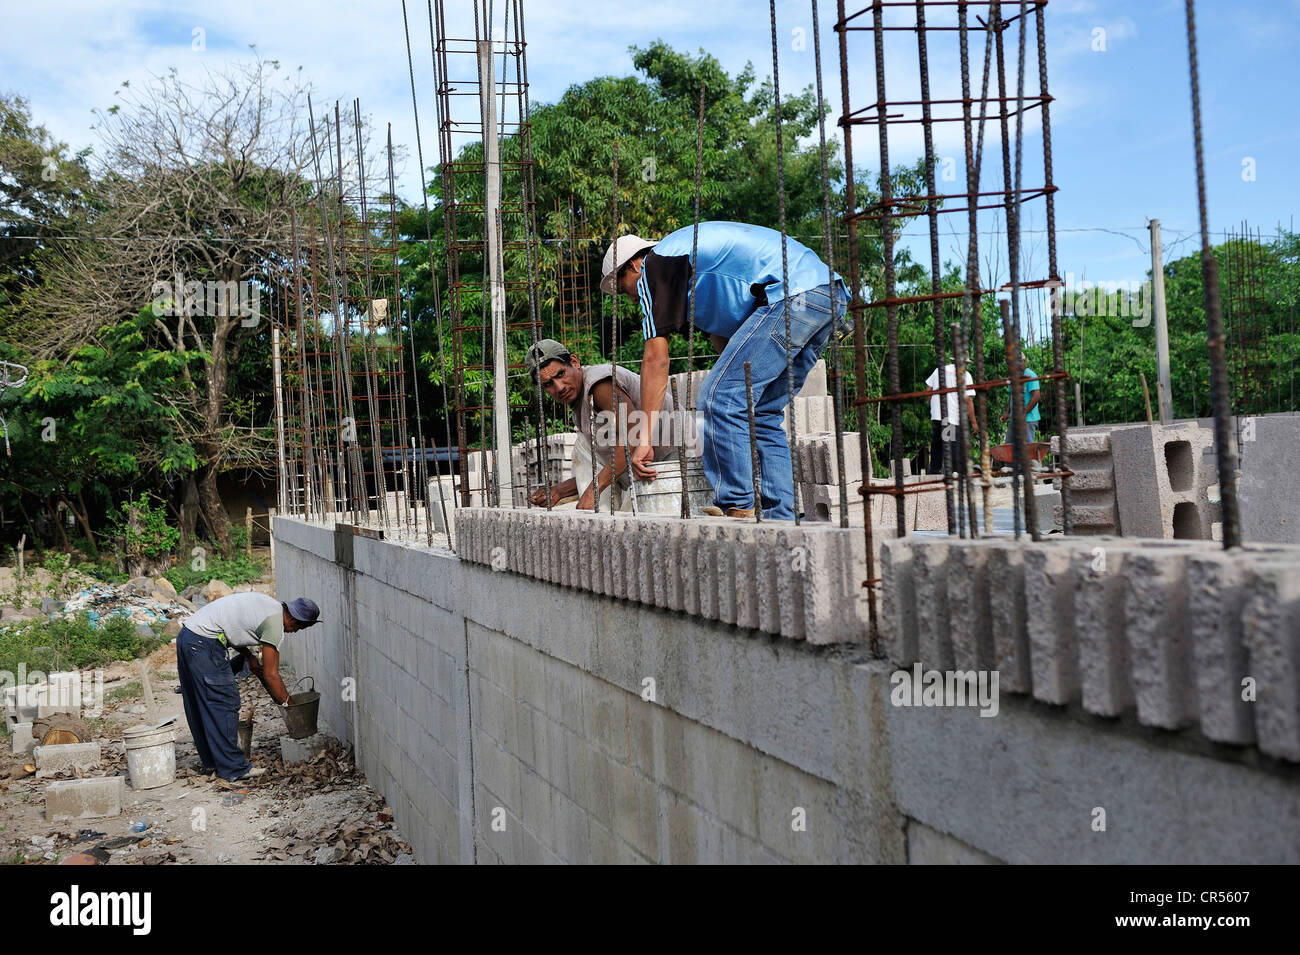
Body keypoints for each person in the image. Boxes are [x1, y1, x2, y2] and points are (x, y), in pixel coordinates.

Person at [604, 221, 849, 520]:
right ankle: (779, 518)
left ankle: (737, 505)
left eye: (622, 288)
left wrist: (644, 439)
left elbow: (656, 360)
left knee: (718, 396)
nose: (629, 298)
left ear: (634, 266)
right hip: (825, 297)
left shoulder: (656, 264)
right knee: (761, 414)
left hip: (792, 295)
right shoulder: (695, 278)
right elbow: (733, 346)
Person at [176, 592, 320, 782]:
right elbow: (271, 674)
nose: (294, 632)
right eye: (299, 628)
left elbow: (234, 626)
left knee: (199, 701)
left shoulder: (270, 606)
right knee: (224, 701)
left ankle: (211, 762)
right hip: (205, 643)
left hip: (188, 636)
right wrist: (290, 706)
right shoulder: (275, 625)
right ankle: (234, 768)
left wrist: (250, 657)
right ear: (294, 619)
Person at [525, 338, 679, 511]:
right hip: (644, 465)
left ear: (574, 362)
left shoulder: (598, 385)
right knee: (584, 445)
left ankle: (600, 511)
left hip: (676, 460)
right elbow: (603, 466)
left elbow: (633, 438)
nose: (559, 387)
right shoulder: (580, 402)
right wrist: (560, 491)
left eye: (560, 374)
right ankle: (600, 513)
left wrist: (593, 491)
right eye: (548, 384)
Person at [925, 362, 978, 475]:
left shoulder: (938, 370)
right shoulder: (965, 375)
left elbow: (928, 389)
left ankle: (934, 471)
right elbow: (968, 400)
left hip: (936, 414)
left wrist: (932, 406)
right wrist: (974, 422)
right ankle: (954, 471)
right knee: (951, 443)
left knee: (937, 442)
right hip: (950, 414)